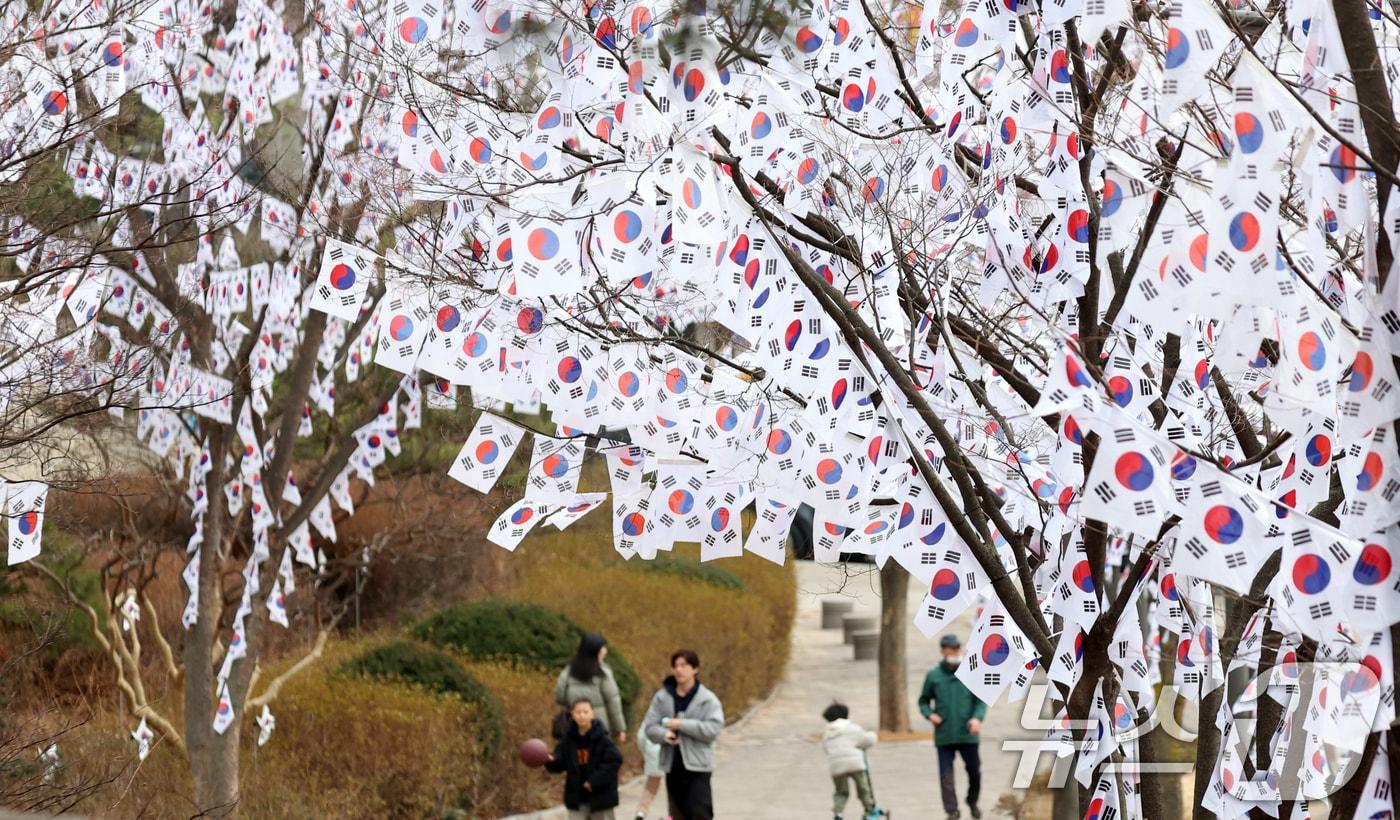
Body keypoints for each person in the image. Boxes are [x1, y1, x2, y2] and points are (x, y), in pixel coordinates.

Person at [641, 649, 724, 820]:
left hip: (698, 766)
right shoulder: (662, 697)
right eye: (676, 666)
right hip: (672, 765)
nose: (679, 670)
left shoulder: (707, 699)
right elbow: (650, 727)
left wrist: (681, 724)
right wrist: (665, 735)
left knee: (700, 812)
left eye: (684, 665)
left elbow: (713, 729)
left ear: (695, 669)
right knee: (677, 814)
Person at [918, 634, 987, 820]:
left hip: (968, 734)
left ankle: (972, 801)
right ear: (943, 651)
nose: (955, 652)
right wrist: (929, 714)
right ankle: (952, 811)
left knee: (975, 772)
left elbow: (981, 700)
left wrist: (977, 719)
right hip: (944, 734)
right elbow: (923, 700)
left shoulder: (971, 672)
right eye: (951, 649)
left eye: (957, 648)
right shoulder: (934, 676)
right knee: (946, 776)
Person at [546, 698, 624, 820]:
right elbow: (560, 761)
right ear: (572, 714)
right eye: (578, 712)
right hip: (577, 797)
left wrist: (594, 781)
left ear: (592, 714)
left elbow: (614, 761)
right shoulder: (567, 739)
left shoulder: (603, 739)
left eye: (585, 712)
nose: (582, 715)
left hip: (600, 797)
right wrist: (551, 760)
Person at [556, 633, 627, 740]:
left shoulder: (568, 671)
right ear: (595, 651)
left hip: (574, 725)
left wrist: (575, 707)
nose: (605, 651)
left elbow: (560, 696)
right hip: (599, 726)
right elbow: (613, 701)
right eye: (603, 648)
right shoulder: (603, 673)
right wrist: (620, 728)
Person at [821, 702, 877, 820]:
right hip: (855, 763)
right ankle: (869, 808)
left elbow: (826, 748)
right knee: (863, 787)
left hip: (836, 766)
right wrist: (872, 734)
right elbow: (866, 740)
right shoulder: (852, 728)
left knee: (841, 791)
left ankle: (838, 813)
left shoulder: (827, 733)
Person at [630, 729, 665, 820]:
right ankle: (672, 814)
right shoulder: (677, 716)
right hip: (670, 756)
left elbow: (641, 737)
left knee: (650, 787)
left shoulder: (651, 716)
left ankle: (641, 811)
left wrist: (646, 752)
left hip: (653, 754)